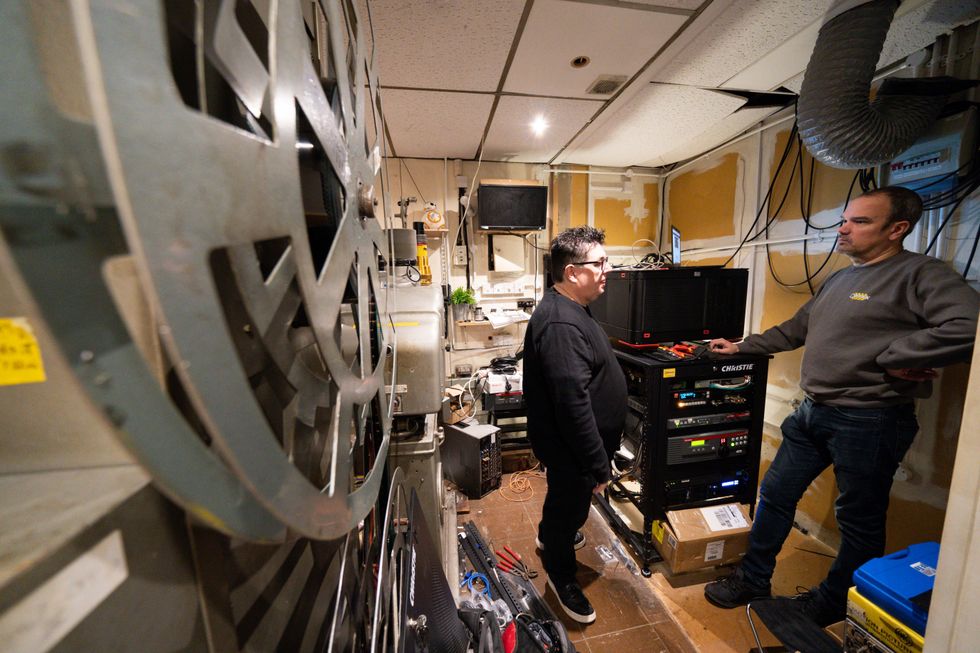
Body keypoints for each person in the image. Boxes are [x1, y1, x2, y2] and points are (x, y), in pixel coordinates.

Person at [703, 186, 979, 626]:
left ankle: (832, 603)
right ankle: (753, 579)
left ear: (897, 229)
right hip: (813, 411)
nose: (844, 228)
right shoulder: (840, 277)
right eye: (845, 219)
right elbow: (797, 327)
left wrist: (901, 355)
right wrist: (741, 348)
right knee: (774, 493)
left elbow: (969, 325)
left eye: (860, 221)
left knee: (858, 522)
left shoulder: (920, 274)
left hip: (870, 419)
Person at [523, 226, 626, 624]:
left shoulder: (571, 309)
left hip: (575, 449)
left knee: (566, 505)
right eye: (599, 263)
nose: (607, 269)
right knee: (571, 506)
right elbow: (572, 404)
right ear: (571, 272)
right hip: (573, 450)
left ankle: (552, 535)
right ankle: (561, 573)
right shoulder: (561, 324)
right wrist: (598, 465)